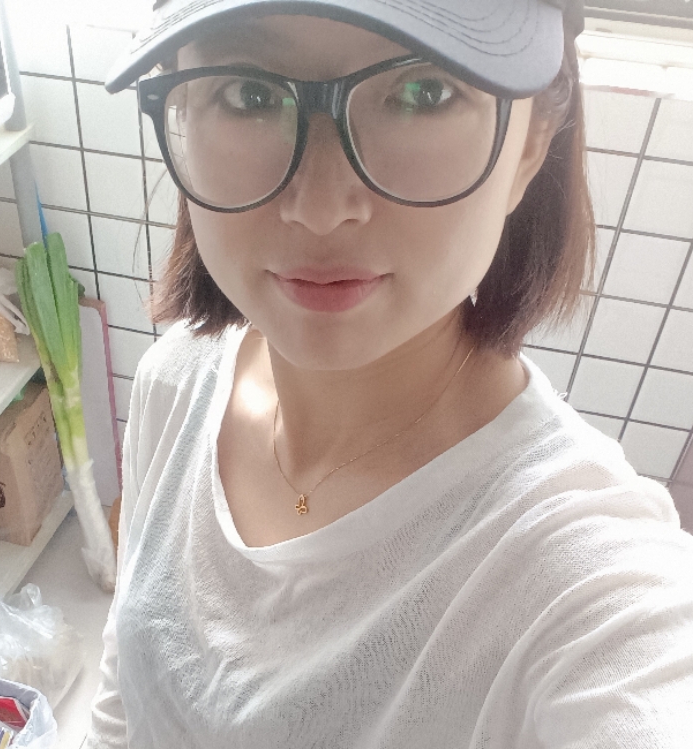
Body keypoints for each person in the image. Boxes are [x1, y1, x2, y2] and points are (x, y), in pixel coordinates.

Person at [87, 1, 693, 746]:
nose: (319, 208)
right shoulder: (175, 381)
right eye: (248, 92)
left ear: (534, 140)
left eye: (422, 92)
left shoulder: (578, 578)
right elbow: (121, 701)